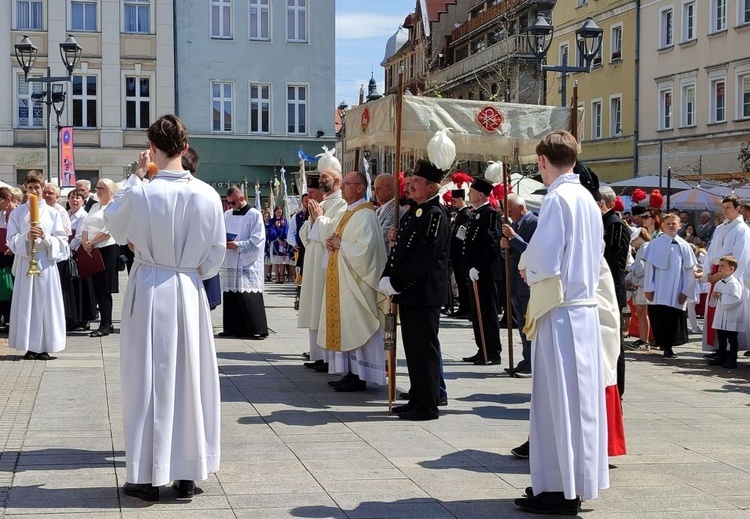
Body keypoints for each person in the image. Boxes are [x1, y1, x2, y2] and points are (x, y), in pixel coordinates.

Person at [104, 114, 226, 502]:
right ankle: (188, 473)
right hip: (188, 289)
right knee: (190, 377)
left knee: (147, 381)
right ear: (185, 148)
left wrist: (136, 176)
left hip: (151, 286)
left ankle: (147, 476)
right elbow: (215, 256)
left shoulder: (142, 190)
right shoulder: (208, 194)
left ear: (150, 147)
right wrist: (189, 270)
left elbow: (115, 227)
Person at [514, 131, 608, 515]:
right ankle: (577, 482)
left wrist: (526, 268)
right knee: (581, 402)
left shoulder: (556, 199)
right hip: (584, 311)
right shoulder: (586, 197)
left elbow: (545, 259)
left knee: (555, 401)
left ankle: (557, 489)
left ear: (542, 161)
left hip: (561, 310)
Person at [381, 159, 450, 420]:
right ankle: (417, 396)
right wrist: (388, 273)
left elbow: (424, 257)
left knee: (425, 350)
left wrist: (396, 282)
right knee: (413, 350)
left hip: (423, 293)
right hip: (410, 293)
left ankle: (428, 403)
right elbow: (402, 250)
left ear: (432, 187)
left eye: (417, 183)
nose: (410, 187)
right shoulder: (415, 212)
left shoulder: (434, 215)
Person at [319, 171, 387, 391]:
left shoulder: (366, 215)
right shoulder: (348, 212)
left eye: (347, 184)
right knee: (347, 327)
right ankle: (349, 372)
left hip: (359, 284)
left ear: (360, 188)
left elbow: (367, 251)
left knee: (357, 327)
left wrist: (341, 245)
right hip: (344, 283)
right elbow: (341, 240)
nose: (343, 187)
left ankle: (360, 375)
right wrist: (332, 243)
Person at [7, 170, 69, 360]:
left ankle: (45, 346)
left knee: (46, 304)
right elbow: (11, 239)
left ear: (43, 188)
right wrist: (26, 237)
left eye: (37, 187)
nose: (34, 191)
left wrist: (45, 237)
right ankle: (29, 346)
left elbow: (62, 241)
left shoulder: (52, 213)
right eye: (30, 188)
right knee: (27, 304)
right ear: (25, 188)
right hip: (27, 260)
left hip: (45, 261)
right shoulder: (18, 213)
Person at [297, 168, 347, 371]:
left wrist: (318, 218)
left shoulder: (342, 203)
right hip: (313, 260)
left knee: (323, 307)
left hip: (326, 262)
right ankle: (318, 355)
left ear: (337, 180)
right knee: (314, 306)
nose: (321, 179)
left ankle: (329, 358)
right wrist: (312, 220)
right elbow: (305, 234)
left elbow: (334, 233)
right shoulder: (323, 203)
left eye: (325, 177)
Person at [460, 176, 502, 365]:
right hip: (473, 272)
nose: (469, 193)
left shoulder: (490, 214)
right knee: (477, 314)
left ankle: (492, 351)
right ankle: (481, 348)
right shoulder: (476, 213)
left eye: (472, 191)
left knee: (487, 312)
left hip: (484, 273)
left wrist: (479, 267)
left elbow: (492, 245)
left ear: (481, 195)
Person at [642, 213, 696, 359]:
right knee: (660, 317)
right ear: (663, 226)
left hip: (676, 288)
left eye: (674, 223)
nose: (671, 226)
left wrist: (686, 290)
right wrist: (648, 287)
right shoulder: (655, 244)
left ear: (680, 226)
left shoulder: (684, 246)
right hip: (659, 288)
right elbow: (649, 268)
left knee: (673, 319)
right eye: (668, 223)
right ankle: (663, 345)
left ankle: (669, 347)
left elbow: (689, 270)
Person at [219, 186, 268, 339]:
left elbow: (258, 239)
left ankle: (255, 328)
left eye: (233, 203)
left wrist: (238, 245)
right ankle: (232, 328)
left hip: (247, 261)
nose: (230, 206)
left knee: (247, 294)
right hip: (230, 259)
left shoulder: (254, 215)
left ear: (241, 198)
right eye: (228, 203)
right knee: (231, 294)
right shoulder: (227, 215)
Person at [500, 193, 538, 376]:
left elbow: (533, 250)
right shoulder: (514, 224)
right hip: (515, 280)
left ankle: (532, 361)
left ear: (522, 208)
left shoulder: (534, 223)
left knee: (528, 324)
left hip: (527, 283)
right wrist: (505, 245)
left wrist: (513, 238)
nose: (510, 215)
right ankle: (526, 357)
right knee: (521, 323)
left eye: (512, 211)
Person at [82, 179, 119, 338]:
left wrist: (92, 242)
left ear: (110, 189)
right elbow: (85, 226)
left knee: (104, 289)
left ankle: (106, 324)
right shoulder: (95, 206)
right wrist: (85, 243)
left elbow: (108, 230)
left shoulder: (114, 206)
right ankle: (103, 322)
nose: (98, 191)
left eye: (102, 188)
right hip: (92, 250)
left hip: (107, 248)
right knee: (96, 288)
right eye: (97, 188)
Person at [67, 189, 97, 331]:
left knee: (83, 287)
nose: (74, 200)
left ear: (83, 201)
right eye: (72, 197)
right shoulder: (66, 214)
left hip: (78, 254)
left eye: (77, 198)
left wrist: (67, 248)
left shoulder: (83, 216)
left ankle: (84, 319)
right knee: (72, 288)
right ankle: (73, 318)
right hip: (68, 254)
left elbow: (79, 237)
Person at [707, 255, 744, 369]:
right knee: (721, 336)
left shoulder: (734, 283)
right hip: (721, 314)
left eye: (723, 266)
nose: (720, 268)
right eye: (719, 266)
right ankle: (722, 356)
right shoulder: (719, 283)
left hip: (731, 315)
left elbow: (737, 298)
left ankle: (732, 359)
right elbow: (714, 300)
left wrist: (721, 296)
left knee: (732, 338)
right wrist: (714, 296)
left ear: (731, 269)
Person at [626, 227, 652, 349]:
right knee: (640, 312)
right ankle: (643, 339)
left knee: (642, 312)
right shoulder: (643, 248)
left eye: (633, 241)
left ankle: (644, 340)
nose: (632, 244)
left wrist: (631, 269)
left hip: (643, 284)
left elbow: (641, 268)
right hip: (641, 283)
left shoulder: (645, 248)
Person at [449, 188, 472, 319]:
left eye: (455, 200)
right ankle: (463, 306)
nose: (453, 203)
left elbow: (462, 234)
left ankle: (467, 307)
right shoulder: (459, 213)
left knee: (463, 281)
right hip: (456, 253)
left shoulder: (466, 213)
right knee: (459, 280)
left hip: (461, 253)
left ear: (461, 199)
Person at [374, 173, 396, 254]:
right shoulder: (378, 211)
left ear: (389, 189)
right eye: (374, 189)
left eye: (378, 189)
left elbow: (381, 238)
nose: (375, 193)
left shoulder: (395, 211)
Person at [268, 206, 289, 283]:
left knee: (282, 260)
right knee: (276, 260)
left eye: (280, 212)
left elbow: (286, 230)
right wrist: (277, 239)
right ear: (275, 212)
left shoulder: (285, 221)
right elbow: (271, 231)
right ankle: (277, 277)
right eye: (277, 211)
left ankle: (282, 277)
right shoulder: (272, 221)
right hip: (275, 242)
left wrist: (285, 240)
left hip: (283, 242)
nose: (279, 213)